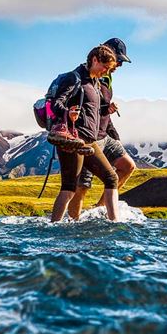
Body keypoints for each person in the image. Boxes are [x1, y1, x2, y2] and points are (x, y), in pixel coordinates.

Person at [48, 45, 120, 222]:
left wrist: (106, 109)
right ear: (95, 60)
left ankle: (115, 224)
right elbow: (57, 104)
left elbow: (90, 110)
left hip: (89, 140)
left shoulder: (95, 82)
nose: (106, 71)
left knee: (111, 178)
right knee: (69, 187)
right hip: (72, 139)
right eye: (105, 67)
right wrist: (68, 113)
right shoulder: (75, 78)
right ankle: (53, 226)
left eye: (109, 69)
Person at [67, 37, 137, 218]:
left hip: (105, 134)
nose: (120, 65)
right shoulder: (85, 75)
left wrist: (109, 112)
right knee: (81, 186)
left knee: (127, 166)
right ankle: (73, 224)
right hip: (88, 138)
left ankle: (99, 209)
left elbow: (98, 108)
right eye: (119, 60)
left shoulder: (107, 77)